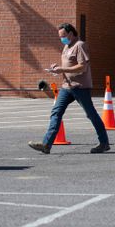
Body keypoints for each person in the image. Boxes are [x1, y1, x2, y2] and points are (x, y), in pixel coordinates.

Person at [29, 23, 110, 154]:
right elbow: (68, 65)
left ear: (71, 33)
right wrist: (57, 68)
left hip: (80, 87)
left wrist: (63, 69)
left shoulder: (80, 46)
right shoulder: (67, 47)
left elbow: (82, 67)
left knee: (91, 114)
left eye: (63, 36)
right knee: (56, 112)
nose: (62, 39)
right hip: (67, 87)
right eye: (60, 37)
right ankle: (46, 144)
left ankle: (104, 142)